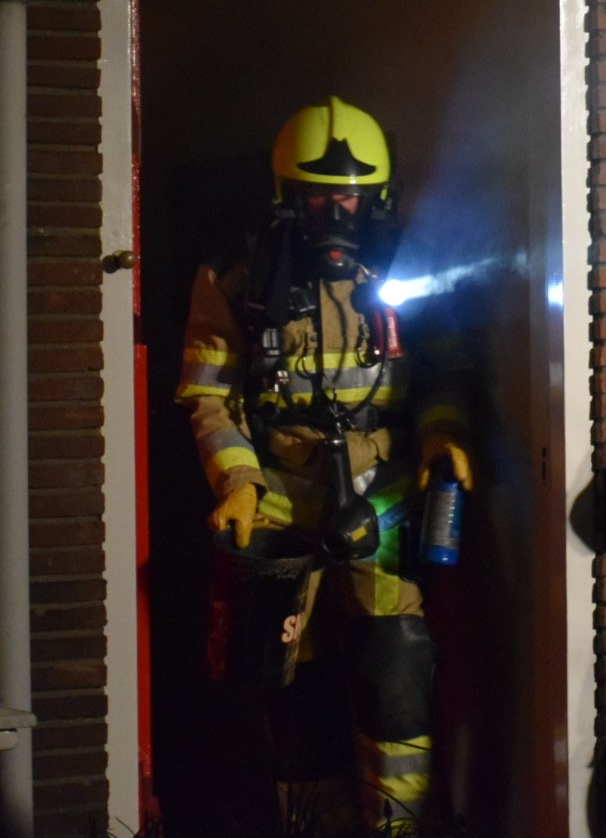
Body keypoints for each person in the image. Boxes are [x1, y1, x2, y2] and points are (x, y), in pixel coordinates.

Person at [176, 96, 473, 832]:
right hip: (280, 509)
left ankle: (396, 827)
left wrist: (443, 440)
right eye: (319, 195)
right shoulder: (238, 277)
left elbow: (444, 375)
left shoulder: (412, 266)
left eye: (352, 195)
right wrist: (239, 481)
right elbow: (209, 397)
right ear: (286, 195)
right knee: (295, 691)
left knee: (395, 671)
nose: (337, 211)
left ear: (378, 196)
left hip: (384, 500)